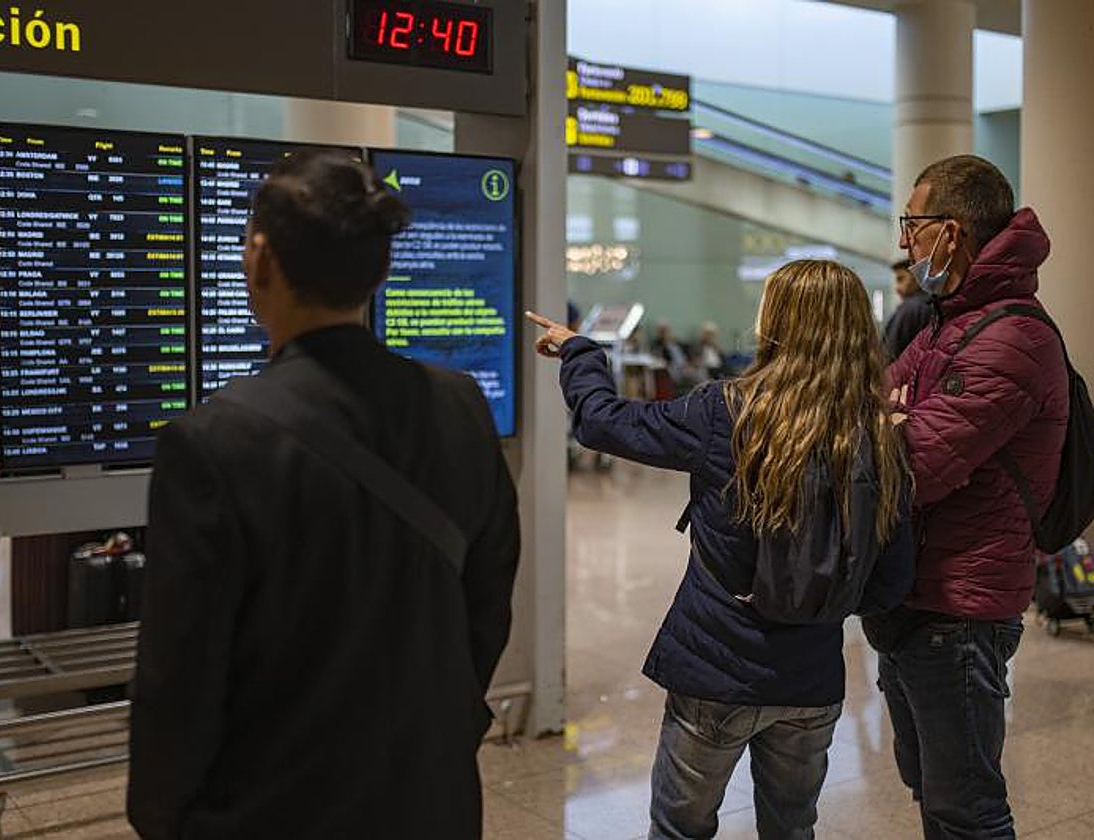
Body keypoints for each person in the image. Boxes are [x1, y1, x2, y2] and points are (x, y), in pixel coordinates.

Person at [128, 152, 520, 839]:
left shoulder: (213, 440)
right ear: (380, 271)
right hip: (431, 800)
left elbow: (179, 675)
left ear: (260, 261)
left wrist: (162, 818)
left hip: (272, 808)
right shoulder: (461, 407)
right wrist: (446, 733)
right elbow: (486, 605)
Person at [528, 259, 915, 840]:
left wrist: (581, 354)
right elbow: (889, 581)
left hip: (715, 667)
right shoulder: (879, 435)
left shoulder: (725, 411)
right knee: (792, 828)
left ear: (777, 322)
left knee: (681, 829)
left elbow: (603, 423)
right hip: (811, 676)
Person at [866, 154, 1068, 838]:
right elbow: (872, 402)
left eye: (911, 224)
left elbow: (911, 466)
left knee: (966, 810)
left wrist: (894, 423)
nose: (904, 242)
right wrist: (887, 419)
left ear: (949, 233)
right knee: (931, 791)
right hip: (918, 598)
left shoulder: (1008, 337)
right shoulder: (949, 322)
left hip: (958, 610)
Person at [882, 257, 933, 361]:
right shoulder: (933, 305)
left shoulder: (911, 308)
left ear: (916, 276)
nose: (897, 288)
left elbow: (890, 352)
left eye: (901, 279)